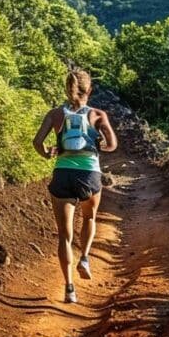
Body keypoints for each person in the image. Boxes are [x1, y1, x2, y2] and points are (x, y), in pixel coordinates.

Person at [32, 69, 118, 304]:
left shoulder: (55, 114)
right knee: (89, 218)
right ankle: (86, 258)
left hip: (62, 175)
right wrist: (98, 145)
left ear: (66, 89)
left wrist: (47, 153)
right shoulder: (98, 114)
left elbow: (37, 142)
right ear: (89, 90)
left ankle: (69, 289)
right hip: (89, 174)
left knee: (64, 236)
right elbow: (112, 145)